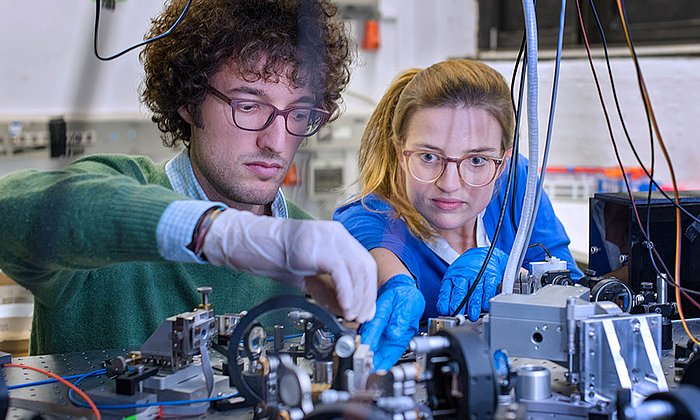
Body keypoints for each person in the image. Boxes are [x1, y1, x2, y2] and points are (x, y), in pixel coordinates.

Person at [0, 0, 377, 355]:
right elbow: (9, 211)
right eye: (248, 106)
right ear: (189, 99)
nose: (276, 142)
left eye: (298, 114)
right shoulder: (113, 199)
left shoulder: (311, 255)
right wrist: (216, 232)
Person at [334, 59, 583, 370]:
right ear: (400, 154)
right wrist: (395, 285)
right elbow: (379, 252)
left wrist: (515, 278)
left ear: (502, 163)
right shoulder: (371, 215)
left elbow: (576, 292)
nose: (449, 184)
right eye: (428, 156)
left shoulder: (517, 184)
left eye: (476, 160)